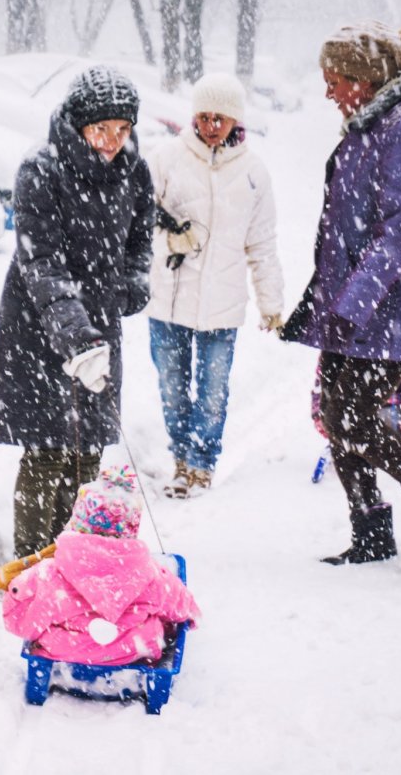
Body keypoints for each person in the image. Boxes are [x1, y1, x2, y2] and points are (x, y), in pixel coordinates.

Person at [281, 21, 401, 564]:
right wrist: (332, 301)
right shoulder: (370, 125)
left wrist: (353, 304)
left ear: (364, 78)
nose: (328, 91)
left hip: (392, 309)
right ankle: (370, 530)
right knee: (338, 418)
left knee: (357, 418)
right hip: (357, 307)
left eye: (335, 79)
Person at [0, 65, 155, 559]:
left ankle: (72, 560)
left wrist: (133, 282)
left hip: (98, 320)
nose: (112, 141)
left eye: (122, 130)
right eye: (101, 129)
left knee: (88, 452)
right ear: (77, 123)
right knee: (47, 449)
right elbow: (42, 264)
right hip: (40, 325)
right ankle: (33, 566)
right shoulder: (42, 169)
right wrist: (75, 336)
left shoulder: (133, 168)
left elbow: (141, 235)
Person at [145, 72, 284, 499]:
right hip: (168, 300)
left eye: (219, 118)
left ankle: (201, 464)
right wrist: (168, 237)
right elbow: (137, 218)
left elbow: (261, 242)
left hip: (222, 305)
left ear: (235, 121)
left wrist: (271, 303)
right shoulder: (166, 158)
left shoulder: (253, 173)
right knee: (172, 389)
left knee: (212, 392)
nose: (210, 125)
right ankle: (180, 459)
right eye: (203, 116)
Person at [2, 466, 200, 666]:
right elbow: (182, 605)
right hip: (133, 651)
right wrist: (185, 619)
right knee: (155, 622)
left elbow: (19, 621)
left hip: (66, 651)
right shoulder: (150, 573)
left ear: (78, 522)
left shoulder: (49, 573)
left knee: (45, 620)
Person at [312, 360, 401, 444]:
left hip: (389, 407)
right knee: (342, 423)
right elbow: (325, 375)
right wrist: (321, 411)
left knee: (385, 425)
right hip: (348, 404)